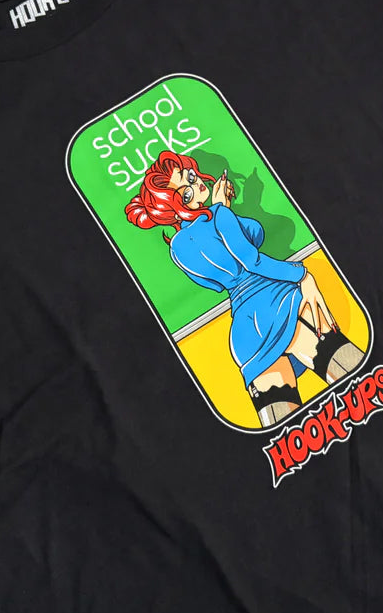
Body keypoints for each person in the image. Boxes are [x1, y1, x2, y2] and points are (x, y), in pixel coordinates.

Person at [126, 149, 363, 427]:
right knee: (356, 381)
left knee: (284, 424)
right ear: (173, 206)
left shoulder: (177, 249)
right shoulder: (220, 215)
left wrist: (222, 214)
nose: (196, 183)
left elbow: (215, 284)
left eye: (190, 176)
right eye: (186, 191)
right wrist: (302, 275)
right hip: (278, 300)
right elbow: (252, 258)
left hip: (243, 333)